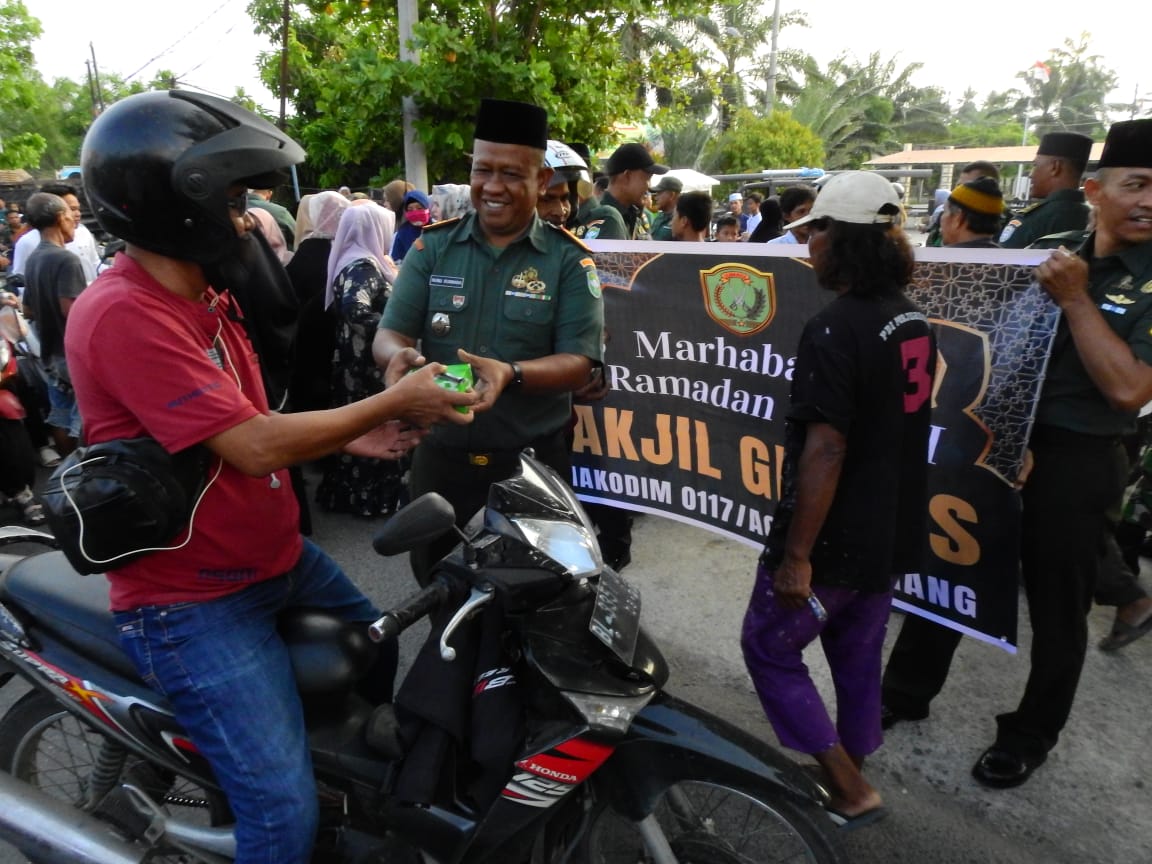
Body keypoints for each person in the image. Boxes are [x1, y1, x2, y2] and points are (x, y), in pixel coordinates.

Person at [67, 89, 477, 864]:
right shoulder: (124, 312)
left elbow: (243, 425)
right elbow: (251, 445)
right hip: (194, 602)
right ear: (171, 205)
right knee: (279, 821)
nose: (248, 219)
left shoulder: (205, 297)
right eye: (232, 201)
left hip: (275, 559)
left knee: (379, 645)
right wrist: (392, 398)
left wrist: (353, 437)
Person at [887, 119, 1152, 789]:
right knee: (945, 562)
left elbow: (1127, 388)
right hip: (997, 435)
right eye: (1138, 184)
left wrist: (1075, 298)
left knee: (1060, 608)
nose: (1150, 200)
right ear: (1094, 188)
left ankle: (1031, 734)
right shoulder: (1048, 244)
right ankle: (903, 693)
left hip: (1081, 456)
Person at [740, 172, 934, 830]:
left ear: (844, 238)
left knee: (767, 645)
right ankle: (853, 762)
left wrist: (797, 555)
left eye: (816, 228)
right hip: (889, 531)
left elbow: (825, 450)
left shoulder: (834, 328)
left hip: (835, 541)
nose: (808, 244)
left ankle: (847, 786)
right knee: (856, 653)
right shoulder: (910, 318)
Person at [374, 97, 604, 585]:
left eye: (512, 174)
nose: (493, 187)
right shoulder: (433, 246)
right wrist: (398, 357)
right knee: (438, 584)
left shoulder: (568, 261)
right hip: (441, 462)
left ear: (542, 180)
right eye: (484, 171)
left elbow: (581, 362)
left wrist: (512, 374)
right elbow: (391, 333)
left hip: (531, 467)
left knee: (535, 594)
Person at [316, 204, 405, 516]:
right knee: (372, 428)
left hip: (354, 358)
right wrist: (392, 328)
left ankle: (353, 495)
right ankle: (370, 499)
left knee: (358, 427)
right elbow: (356, 309)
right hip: (366, 365)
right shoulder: (363, 266)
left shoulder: (354, 259)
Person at [22, 192, 86, 454]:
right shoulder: (66, 259)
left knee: (59, 416)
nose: (74, 221)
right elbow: (73, 314)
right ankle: (88, 473)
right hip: (72, 357)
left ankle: (68, 476)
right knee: (84, 422)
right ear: (60, 218)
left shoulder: (34, 258)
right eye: (71, 216)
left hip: (49, 355)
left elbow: (27, 310)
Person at [999, 132, 1093, 249]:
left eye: (1035, 165)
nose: (1031, 175)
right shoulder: (1094, 221)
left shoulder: (1032, 221)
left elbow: (1002, 264)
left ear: (1055, 167)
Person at [573, 142, 668, 241]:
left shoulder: (635, 216)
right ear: (627, 176)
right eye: (647, 178)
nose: (649, 186)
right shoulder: (604, 220)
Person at [10, 184, 101, 282]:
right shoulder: (27, 242)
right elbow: (21, 280)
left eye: (78, 209)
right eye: (71, 209)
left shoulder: (83, 232)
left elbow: (96, 265)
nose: (78, 214)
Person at [938, 177, 1005, 247]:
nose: (941, 217)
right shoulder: (1009, 257)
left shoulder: (940, 257)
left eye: (945, 211)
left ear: (958, 218)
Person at [389, 189, 433, 265]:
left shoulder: (437, 227)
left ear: (427, 208)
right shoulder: (403, 233)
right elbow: (396, 260)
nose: (415, 212)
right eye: (410, 209)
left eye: (419, 208)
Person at [649, 174, 683, 241]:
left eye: (659, 193)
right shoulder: (659, 217)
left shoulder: (682, 220)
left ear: (671, 195)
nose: (655, 198)